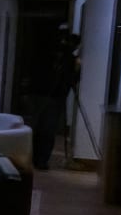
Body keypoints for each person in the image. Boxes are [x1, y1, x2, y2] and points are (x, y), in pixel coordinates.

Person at [26, 27, 81, 170]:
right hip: (53, 96)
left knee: (40, 128)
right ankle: (41, 160)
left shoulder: (48, 53)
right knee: (47, 130)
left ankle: (36, 159)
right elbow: (72, 79)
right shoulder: (66, 58)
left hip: (42, 94)